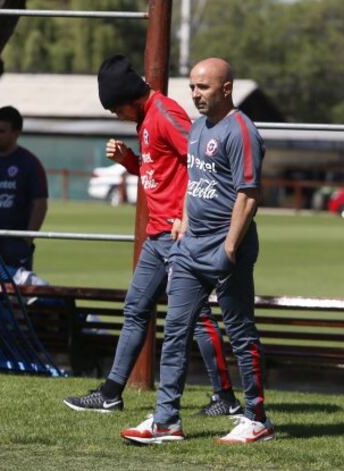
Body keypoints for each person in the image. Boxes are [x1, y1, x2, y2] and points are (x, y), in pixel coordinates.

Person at [63, 54, 242, 417]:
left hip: (179, 235)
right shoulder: (145, 118)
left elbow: (199, 164)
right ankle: (112, 392)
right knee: (135, 309)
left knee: (197, 318)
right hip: (156, 236)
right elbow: (158, 169)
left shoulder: (165, 114)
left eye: (116, 109)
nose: (116, 116)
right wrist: (130, 161)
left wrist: (185, 218)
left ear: (129, 99)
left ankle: (226, 398)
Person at [121, 58, 275, 445]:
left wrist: (229, 247)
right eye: (192, 87)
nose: (195, 94)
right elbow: (196, 182)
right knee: (175, 331)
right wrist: (185, 221)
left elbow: (249, 195)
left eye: (203, 88)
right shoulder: (197, 128)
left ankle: (257, 419)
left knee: (240, 332)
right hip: (189, 248)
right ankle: (167, 420)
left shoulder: (241, 131)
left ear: (226, 89)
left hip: (226, 249)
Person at [0, 106, 48, 272]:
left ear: (16, 133)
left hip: (14, 246)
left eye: (0, 131)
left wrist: (27, 240)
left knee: (16, 294)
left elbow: (40, 204)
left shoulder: (29, 163)